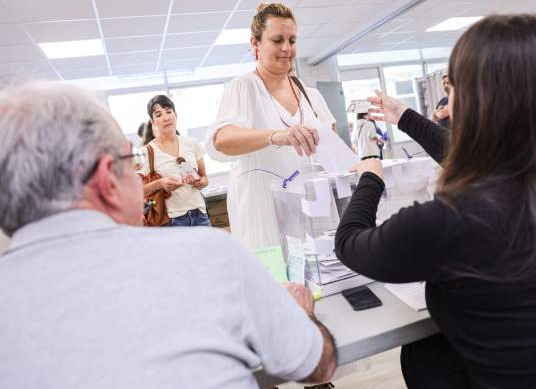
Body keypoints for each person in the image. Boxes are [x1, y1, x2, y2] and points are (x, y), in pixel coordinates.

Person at [336, 14, 536, 388]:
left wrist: (369, 178)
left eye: (453, 87)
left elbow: (350, 243)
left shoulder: (446, 220)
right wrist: (404, 117)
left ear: (474, 101)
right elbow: (495, 165)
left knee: (423, 356)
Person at [0, 82, 337, 389]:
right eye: (127, 159)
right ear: (107, 180)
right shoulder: (209, 256)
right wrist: (299, 312)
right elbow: (316, 365)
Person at [206, 2, 337, 250]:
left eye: (292, 40)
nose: (287, 48)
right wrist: (276, 135)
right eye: (277, 40)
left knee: (323, 282)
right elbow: (222, 139)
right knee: (276, 285)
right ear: (255, 44)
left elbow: (332, 148)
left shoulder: (310, 95)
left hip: (312, 209)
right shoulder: (245, 87)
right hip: (264, 214)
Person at [139, 95, 210, 227]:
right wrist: (160, 183)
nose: (166, 117)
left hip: (200, 215)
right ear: (153, 122)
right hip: (172, 221)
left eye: (169, 111)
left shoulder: (191, 143)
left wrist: (200, 181)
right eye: (158, 115)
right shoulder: (146, 152)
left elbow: (204, 177)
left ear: (175, 115)